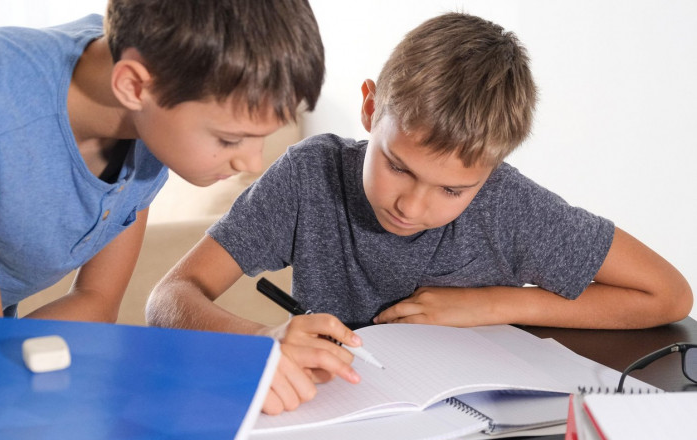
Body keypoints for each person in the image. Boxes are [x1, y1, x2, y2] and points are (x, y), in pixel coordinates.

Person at [145, 12, 693, 414]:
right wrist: (260, 341)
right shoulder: (308, 178)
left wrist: (489, 305)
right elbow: (170, 297)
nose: (412, 205)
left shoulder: (510, 205)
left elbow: (667, 296)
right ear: (370, 106)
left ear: (493, 167)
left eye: (453, 190)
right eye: (399, 167)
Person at [0, 0, 324, 321]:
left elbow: (96, 300)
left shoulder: (156, 100)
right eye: (230, 139)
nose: (253, 165)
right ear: (132, 85)